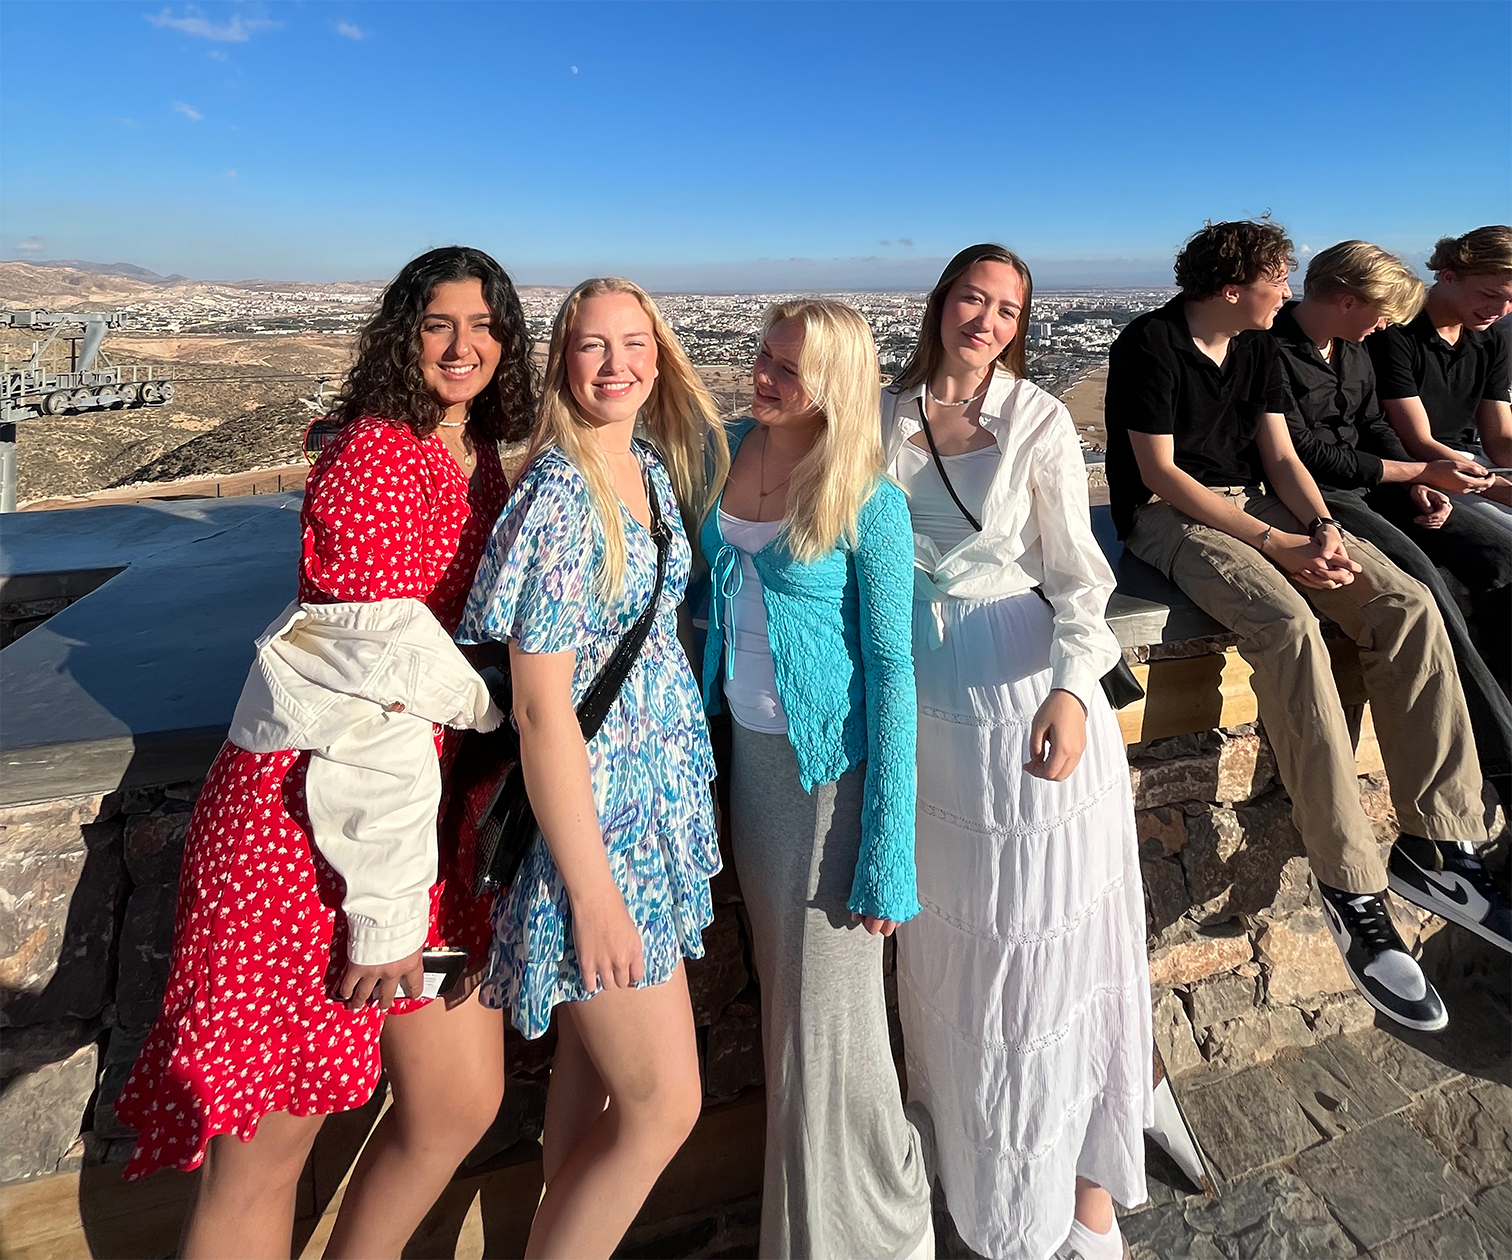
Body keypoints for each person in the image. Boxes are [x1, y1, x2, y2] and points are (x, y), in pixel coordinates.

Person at [114, 246, 536, 1259]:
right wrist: (384, 912)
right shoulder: (377, 457)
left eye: (485, 325)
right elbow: (364, 696)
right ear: (403, 334)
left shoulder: (472, 453)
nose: (464, 346)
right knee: (265, 1155)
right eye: (439, 323)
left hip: (422, 821)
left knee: (455, 1101)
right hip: (311, 828)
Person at [1104, 219, 1505, 1037]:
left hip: (1261, 505)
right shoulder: (1151, 344)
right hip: (1171, 517)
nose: (1287, 292)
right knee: (1288, 627)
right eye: (1277, 280)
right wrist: (1275, 542)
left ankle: (1443, 844)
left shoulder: (1255, 347)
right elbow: (1162, 475)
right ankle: (1351, 884)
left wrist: (1320, 527)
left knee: (1405, 605)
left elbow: (1281, 457)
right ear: (1232, 288)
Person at [883, 244, 1150, 1260]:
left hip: (1020, 691)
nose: (986, 320)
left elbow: (1081, 581)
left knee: (1047, 951)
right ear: (940, 303)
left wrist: (1073, 692)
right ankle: (989, 1188)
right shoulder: (883, 416)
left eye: (1006, 309)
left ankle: (1080, 1199)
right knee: (961, 954)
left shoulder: (1036, 419)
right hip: (922, 705)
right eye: (972, 297)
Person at [457, 277, 728, 1259]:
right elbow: (540, 710)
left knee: (592, 1079)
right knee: (663, 1108)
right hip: (600, 837)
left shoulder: (642, 466)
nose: (617, 364)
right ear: (562, 364)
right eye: (592, 346)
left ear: (660, 355)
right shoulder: (563, 495)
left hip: (645, 816)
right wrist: (594, 893)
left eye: (634, 343)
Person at [699, 299, 932, 1259]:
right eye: (763, 354)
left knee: (829, 1030)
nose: (764, 374)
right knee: (792, 1017)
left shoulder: (869, 500)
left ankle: (879, 1231)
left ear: (836, 381)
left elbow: (893, 673)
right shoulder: (724, 451)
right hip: (750, 767)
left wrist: (887, 850)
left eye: (789, 367)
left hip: (829, 780)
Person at [1271, 239, 1512, 827]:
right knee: (1424, 588)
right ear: (1348, 300)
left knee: (1500, 558)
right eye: (1382, 313)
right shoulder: (1272, 349)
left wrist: (1415, 479)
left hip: (1383, 481)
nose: (1386, 326)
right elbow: (1306, 454)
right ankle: (1502, 760)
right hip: (1322, 496)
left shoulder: (1352, 347)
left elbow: (1373, 425)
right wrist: (1411, 473)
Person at [1369, 225, 1512, 533]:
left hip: (1473, 463)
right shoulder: (1396, 332)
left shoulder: (1490, 341)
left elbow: (1500, 439)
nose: (1501, 311)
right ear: (1448, 276)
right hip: (1422, 470)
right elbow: (1417, 441)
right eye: (1490, 295)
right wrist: (1499, 488)